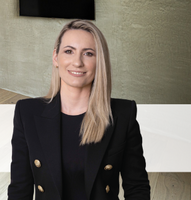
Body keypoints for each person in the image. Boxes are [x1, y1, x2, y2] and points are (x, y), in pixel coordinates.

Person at [8, 20, 150, 200]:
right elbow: (20, 189)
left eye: (88, 53)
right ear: (55, 57)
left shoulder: (123, 114)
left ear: (100, 62)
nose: (77, 62)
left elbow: (137, 187)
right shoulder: (27, 112)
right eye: (69, 51)